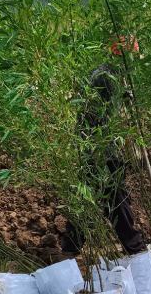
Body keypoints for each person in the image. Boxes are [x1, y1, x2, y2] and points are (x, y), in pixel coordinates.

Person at [60, 36, 146, 256]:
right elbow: (102, 119)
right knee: (116, 198)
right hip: (100, 147)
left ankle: (70, 248)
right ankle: (135, 249)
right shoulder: (107, 77)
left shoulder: (107, 73)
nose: (134, 63)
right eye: (132, 57)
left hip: (93, 146)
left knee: (89, 200)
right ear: (122, 56)